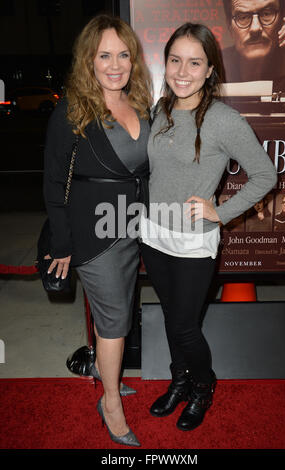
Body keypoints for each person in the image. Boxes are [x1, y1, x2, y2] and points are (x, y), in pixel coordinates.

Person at [140, 22, 277, 432]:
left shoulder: (223, 120)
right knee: (171, 318)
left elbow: (266, 176)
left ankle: (203, 384)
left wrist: (222, 211)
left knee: (185, 326)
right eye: (175, 60)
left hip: (193, 241)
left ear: (210, 69)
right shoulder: (158, 110)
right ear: (165, 64)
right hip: (154, 235)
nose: (183, 71)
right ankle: (179, 379)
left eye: (194, 62)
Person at [43, 14, 152, 446]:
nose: (115, 64)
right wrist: (63, 243)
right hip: (94, 234)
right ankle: (110, 403)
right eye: (104, 55)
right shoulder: (72, 109)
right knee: (113, 323)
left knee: (121, 312)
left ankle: (112, 379)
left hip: (132, 227)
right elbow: (53, 183)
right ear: (88, 60)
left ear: (134, 61)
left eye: (123, 55)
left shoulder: (141, 103)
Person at [222, 0, 285, 92]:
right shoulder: (211, 67)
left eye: (266, 14)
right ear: (229, 26)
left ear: (282, 18)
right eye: (243, 17)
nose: (255, 28)